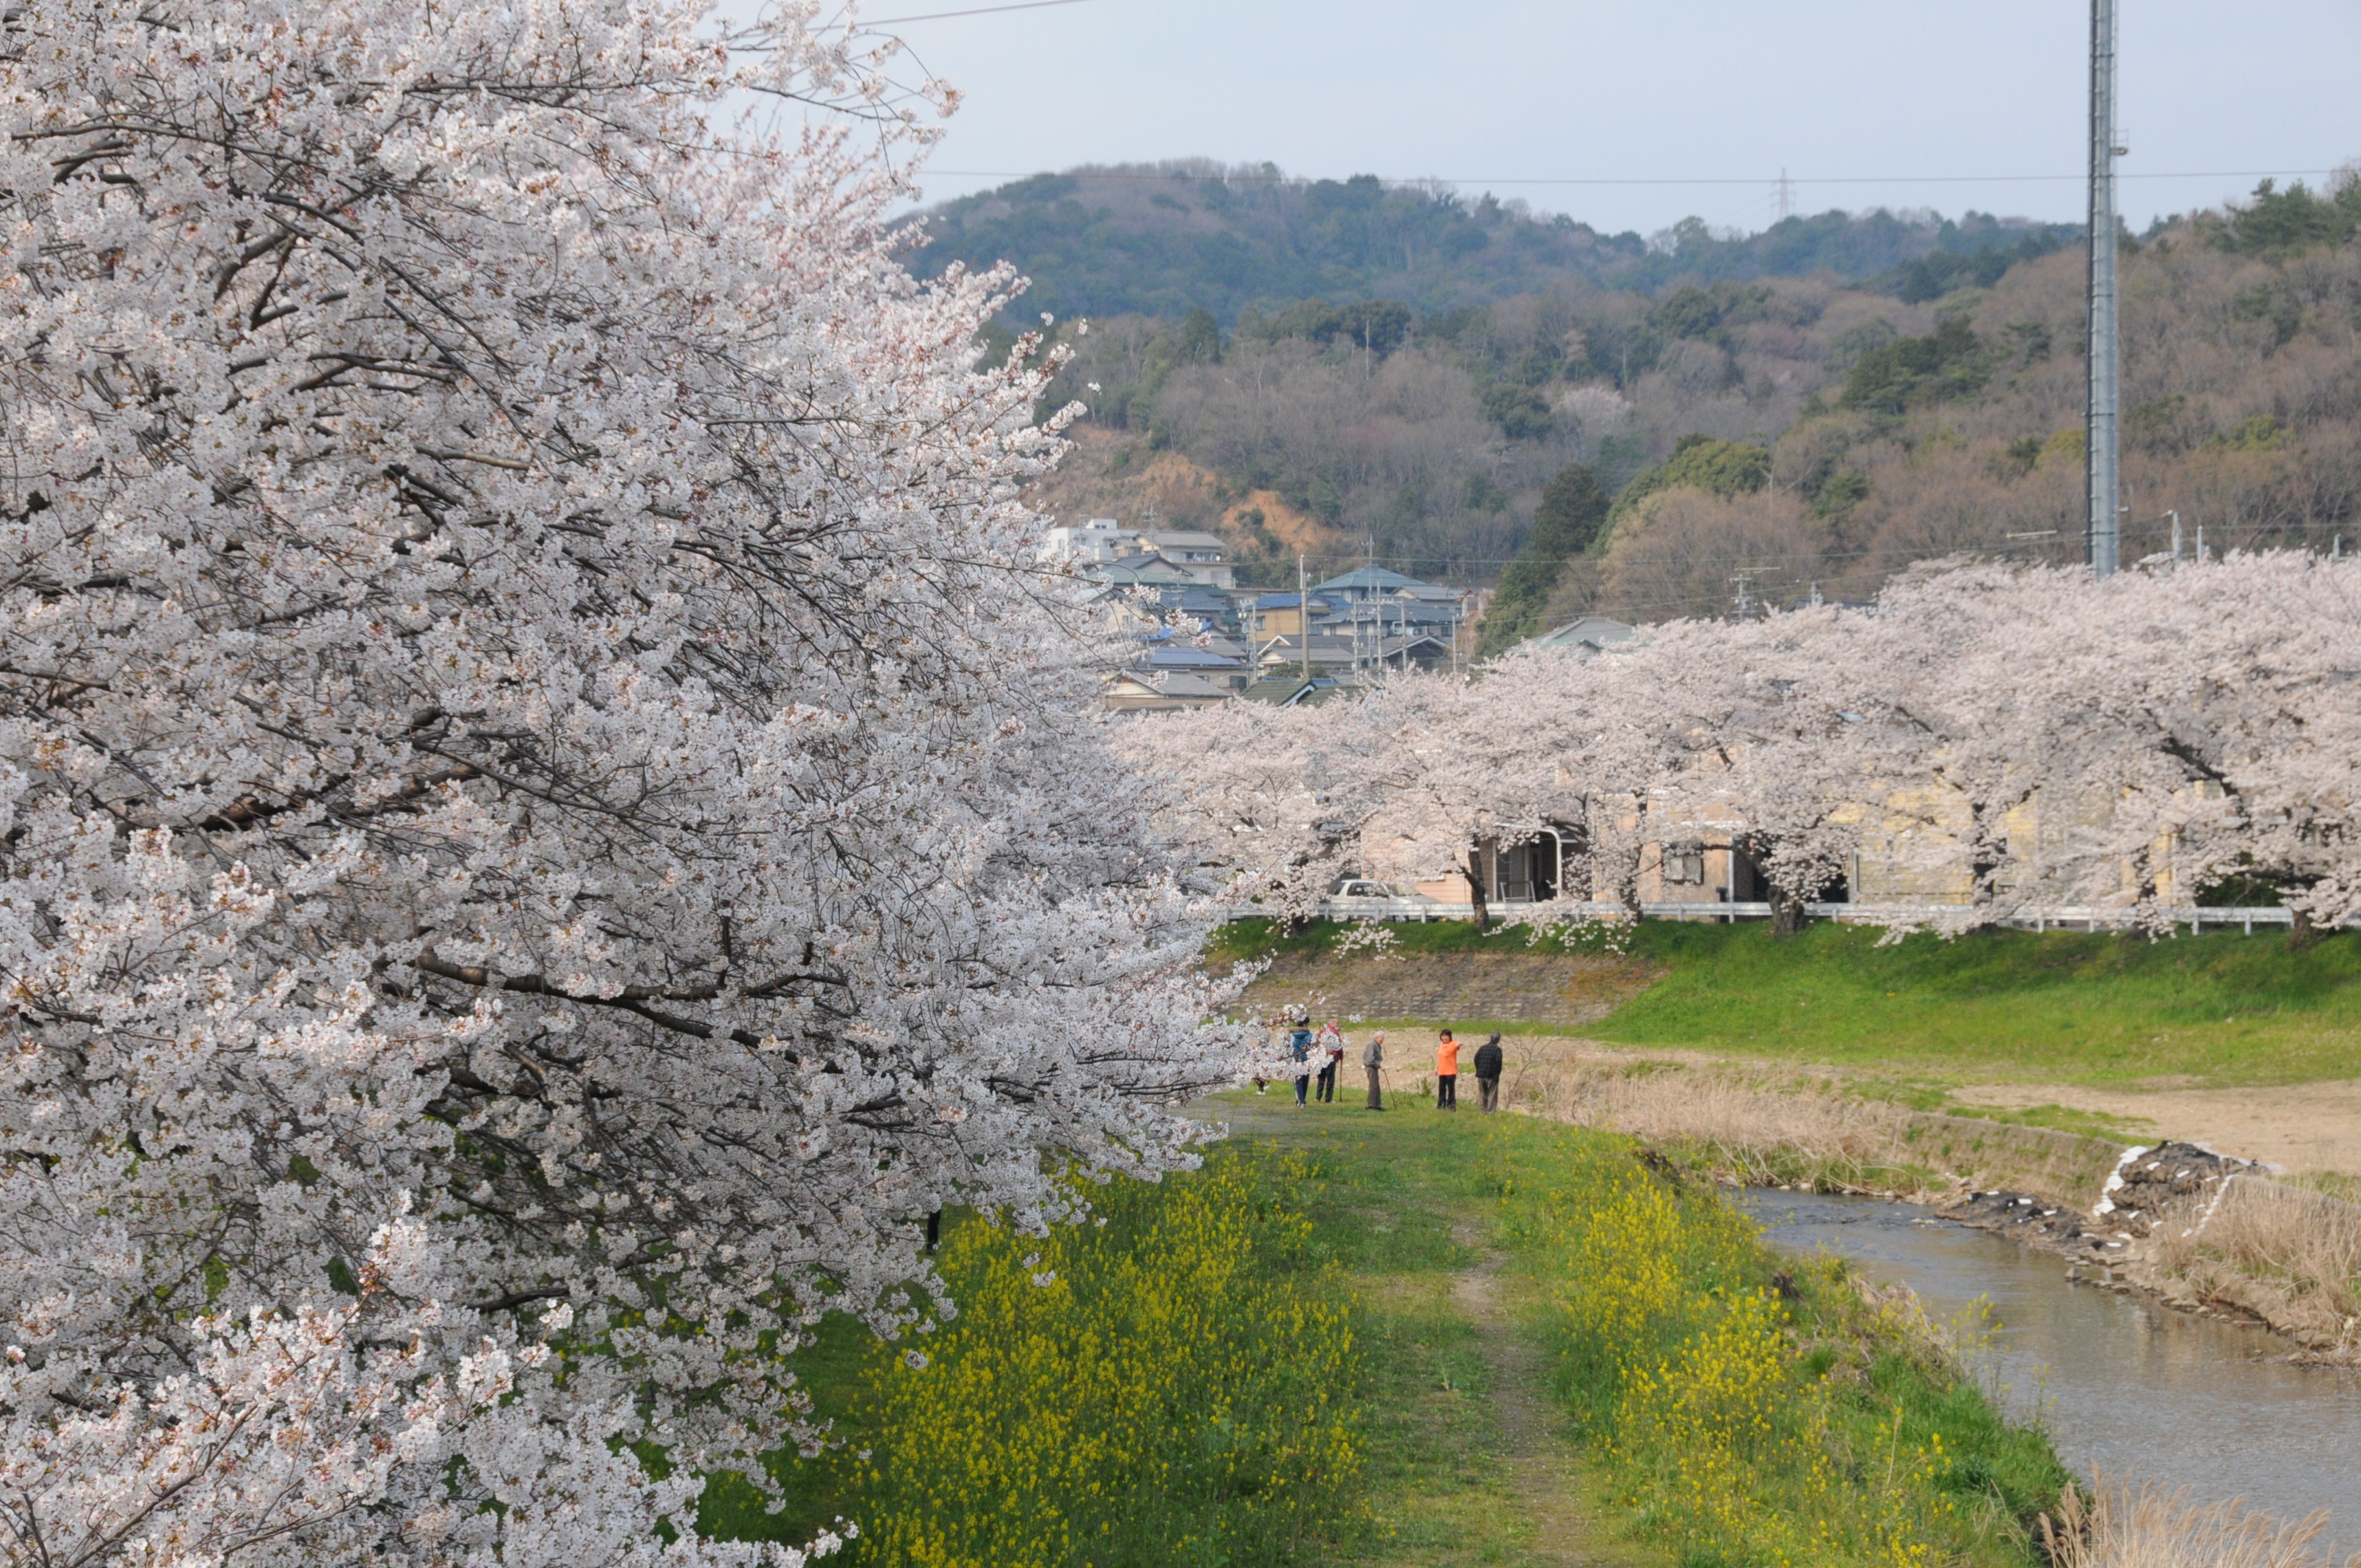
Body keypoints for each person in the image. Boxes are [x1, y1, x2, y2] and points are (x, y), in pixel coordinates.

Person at [1314, 1018, 1344, 1103]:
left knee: (1321, 1078)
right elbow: (1338, 1046)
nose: (1338, 1025)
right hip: (1331, 1057)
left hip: (1321, 1057)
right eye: (1337, 1023)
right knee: (1330, 1078)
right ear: (1333, 1024)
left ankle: (1318, 1097)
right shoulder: (1335, 1033)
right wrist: (1341, 1056)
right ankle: (1328, 1098)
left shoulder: (1322, 1031)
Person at [1473, 1030, 1504, 1113]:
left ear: (1490, 1039)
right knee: (1492, 1095)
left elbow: (1476, 1059)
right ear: (1498, 1040)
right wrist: (1497, 1075)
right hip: (1492, 1076)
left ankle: (1483, 1112)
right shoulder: (1497, 1050)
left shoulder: (1482, 1048)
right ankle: (1490, 1113)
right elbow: (1498, 1063)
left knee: (1483, 1094)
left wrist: (1478, 1069)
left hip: (1481, 1074)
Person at [1289, 1011, 1313, 1108]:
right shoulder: (1309, 1036)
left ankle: (1300, 1100)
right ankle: (1303, 1100)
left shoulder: (1291, 1036)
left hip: (1296, 1060)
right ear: (1304, 1024)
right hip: (1307, 1060)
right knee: (1305, 1081)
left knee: (1297, 1081)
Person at [1434, 1028, 1459, 1111]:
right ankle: (1441, 1104)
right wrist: (1436, 1068)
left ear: (1450, 1037)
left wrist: (1459, 1045)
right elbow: (1441, 1058)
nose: (1445, 1038)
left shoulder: (1452, 1044)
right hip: (1442, 1071)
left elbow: (1457, 1045)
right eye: (1443, 1036)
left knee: (1451, 1089)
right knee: (1441, 1089)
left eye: (1446, 1036)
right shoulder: (1441, 1045)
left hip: (1451, 1071)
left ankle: (1451, 1105)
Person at [1362, 1029, 1386, 1110]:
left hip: (1374, 1067)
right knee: (1373, 1086)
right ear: (1376, 1037)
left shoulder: (1377, 1045)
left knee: (1376, 1086)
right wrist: (1379, 1066)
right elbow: (1370, 1060)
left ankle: (1377, 1105)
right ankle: (1372, 1105)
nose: (1382, 1040)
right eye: (1381, 1038)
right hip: (1371, 1067)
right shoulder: (1372, 1045)